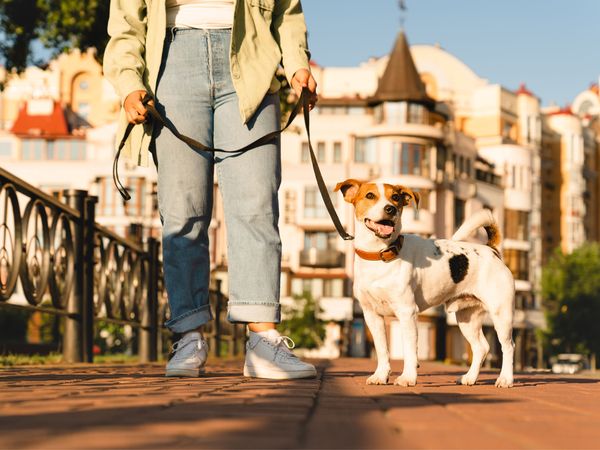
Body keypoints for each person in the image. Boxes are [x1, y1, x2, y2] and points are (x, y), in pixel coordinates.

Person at [104, 0, 318, 379]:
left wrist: (298, 65)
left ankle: (263, 341)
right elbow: (125, 23)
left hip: (252, 57)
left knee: (256, 204)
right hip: (171, 62)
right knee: (183, 211)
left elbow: (287, 11)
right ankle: (188, 335)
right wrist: (128, 85)